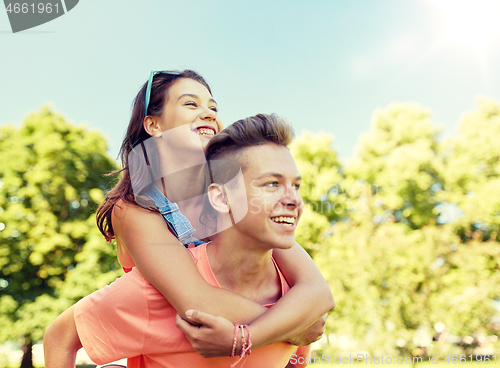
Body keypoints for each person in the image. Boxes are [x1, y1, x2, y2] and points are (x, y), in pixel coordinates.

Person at [44, 70, 334, 362]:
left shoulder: (230, 198)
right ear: (154, 124)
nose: (208, 113)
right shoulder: (133, 207)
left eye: (213, 107)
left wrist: (277, 327)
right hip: (158, 333)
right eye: (191, 104)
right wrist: (293, 325)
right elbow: (197, 300)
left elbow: (316, 289)